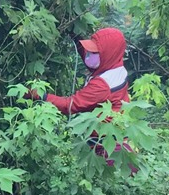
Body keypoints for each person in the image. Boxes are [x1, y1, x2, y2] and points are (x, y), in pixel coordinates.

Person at [25, 27, 135, 171]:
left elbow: (70, 105)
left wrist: (40, 95)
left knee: (104, 183)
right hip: (118, 138)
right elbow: (91, 60)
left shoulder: (102, 85)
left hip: (107, 147)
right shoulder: (115, 65)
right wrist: (75, 37)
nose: (89, 55)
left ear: (108, 54)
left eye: (95, 52)